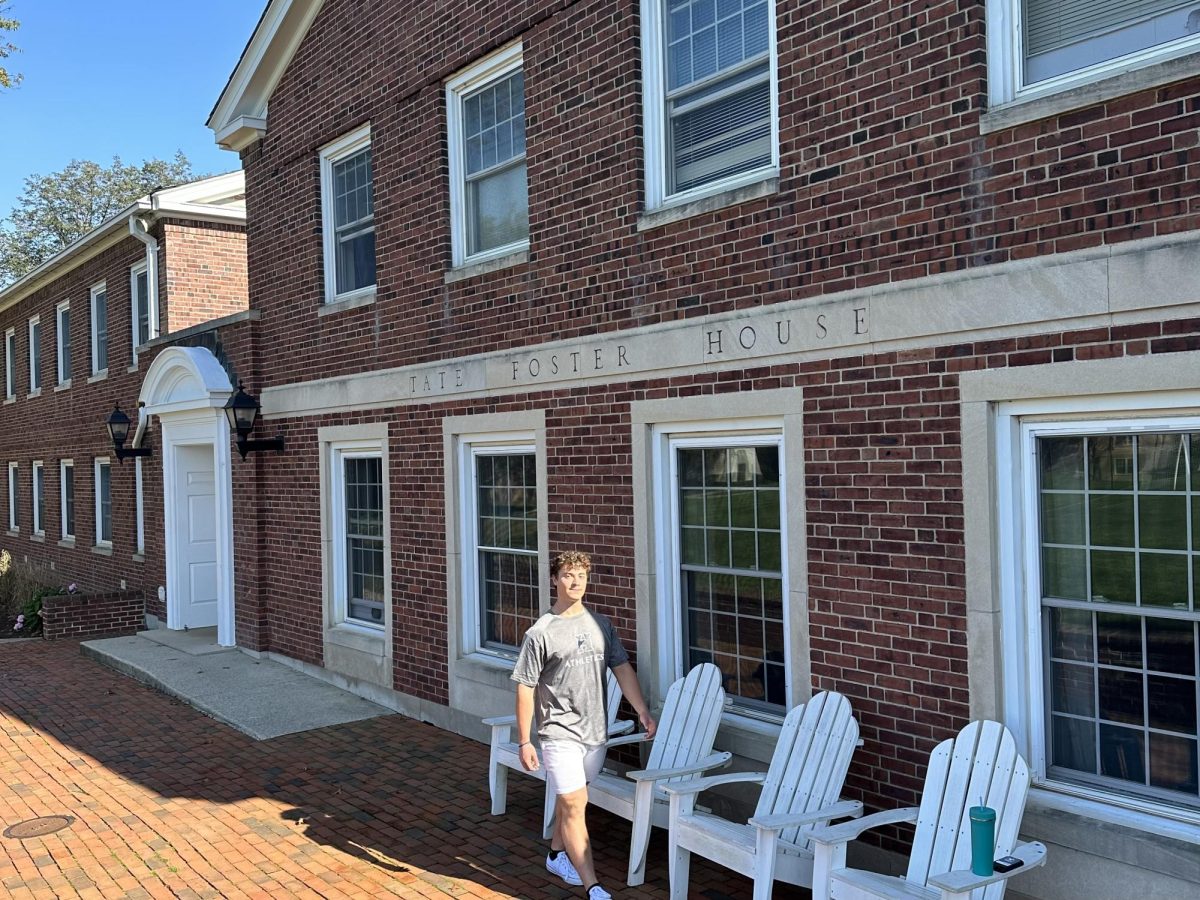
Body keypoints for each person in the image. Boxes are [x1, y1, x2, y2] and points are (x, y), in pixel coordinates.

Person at [511, 551, 656, 900]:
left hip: (595, 732)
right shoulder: (540, 632)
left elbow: (621, 668)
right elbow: (525, 687)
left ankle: (556, 854)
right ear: (553, 580)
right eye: (567, 575)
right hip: (558, 733)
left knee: (573, 798)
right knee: (576, 804)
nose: (575, 582)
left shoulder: (601, 624)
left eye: (580, 576)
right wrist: (525, 741)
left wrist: (642, 711)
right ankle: (593, 886)